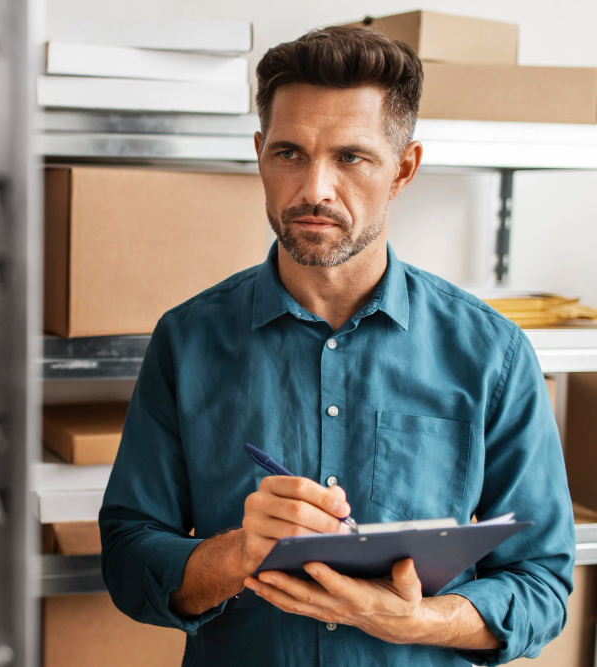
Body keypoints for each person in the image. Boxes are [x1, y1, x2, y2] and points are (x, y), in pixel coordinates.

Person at [98, 25, 574, 666]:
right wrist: (239, 553)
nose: (315, 189)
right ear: (261, 154)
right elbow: (128, 560)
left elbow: (541, 585)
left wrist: (417, 622)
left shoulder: (494, 354)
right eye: (290, 153)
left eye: (351, 157)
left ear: (403, 169)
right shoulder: (187, 340)